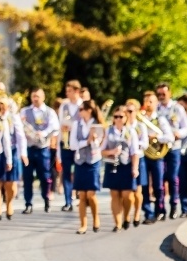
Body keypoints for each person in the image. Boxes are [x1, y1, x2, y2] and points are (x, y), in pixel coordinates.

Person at [20, 88, 59, 214]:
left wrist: (44, 133)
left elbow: (54, 126)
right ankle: (28, 203)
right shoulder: (25, 111)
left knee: (45, 176)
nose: (35, 99)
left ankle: (46, 199)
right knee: (27, 177)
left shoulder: (49, 112)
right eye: (33, 96)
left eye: (37, 96)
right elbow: (20, 128)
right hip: (29, 148)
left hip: (43, 148)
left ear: (43, 97)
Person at [101, 105, 139, 232]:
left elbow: (135, 152)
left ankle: (127, 216)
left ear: (125, 118)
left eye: (120, 117)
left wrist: (135, 168)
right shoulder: (109, 131)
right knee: (115, 194)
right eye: (115, 116)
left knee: (127, 195)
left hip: (126, 164)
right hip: (112, 164)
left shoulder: (130, 131)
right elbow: (102, 150)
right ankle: (117, 223)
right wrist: (111, 151)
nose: (117, 119)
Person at [156, 82, 187, 220]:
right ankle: (160, 208)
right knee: (159, 180)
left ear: (169, 93)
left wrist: (179, 133)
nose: (161, 96)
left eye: (163, 94)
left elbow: (186, 128)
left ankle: (174, 205)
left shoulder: (177, 108)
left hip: (173, 147)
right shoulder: (156, 108)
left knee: (172, 177)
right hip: (158, 148)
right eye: (159, 94)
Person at [70, 100, 105, 234]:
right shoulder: (76, 124)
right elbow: (73, 145)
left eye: (81, 109)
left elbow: (99, 145)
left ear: (88, 110)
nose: (79, 112)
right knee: (82, 195)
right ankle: (83, 224)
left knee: (91, 193)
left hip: (93, 160)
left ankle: (96, 218)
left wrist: (94, 139)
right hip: (80, 161)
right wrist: (86, 141)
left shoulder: (97, 125)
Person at [141, 91, 174, 224]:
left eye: (151, 101)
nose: (148, 104)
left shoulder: (160, 120)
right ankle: (148, 213)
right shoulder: (140, 119)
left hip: (157, 155)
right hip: (144, 154)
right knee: (144, 184)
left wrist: (156, 137)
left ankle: (160, 210)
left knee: (158, 185)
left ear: (156, 104)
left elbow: (170, 137)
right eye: (146, 101)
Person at [58, 80, 83, 212]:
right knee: (66, 173)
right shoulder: (64, 106)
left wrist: (71, 125)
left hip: (80, 144)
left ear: (77, 91)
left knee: (79, 171)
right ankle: (68, 201)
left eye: (70, 91)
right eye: (67, 91)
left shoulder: (83, 105)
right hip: (66, 143)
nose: (67, 93)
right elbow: (60, 123)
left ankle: (81, 196)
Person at [124, 98, 149, 227]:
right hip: (125, 160)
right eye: (126, 110)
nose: (128, 113)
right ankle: (126, 215)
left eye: (131, 111)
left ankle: (137, 214)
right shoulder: (123, 125)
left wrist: (134, 143)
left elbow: (145, 143)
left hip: (139, 158)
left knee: (138, 190)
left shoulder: (140, 126)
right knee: (127, 191)